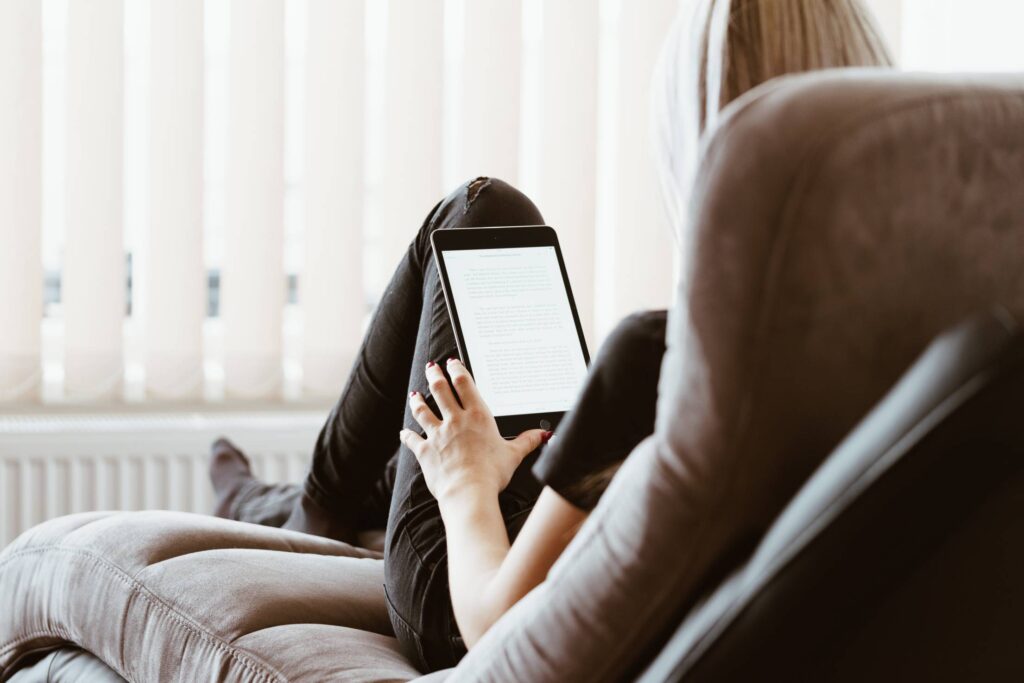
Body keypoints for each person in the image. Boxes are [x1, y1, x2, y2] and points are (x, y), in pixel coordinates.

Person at [208, 0, 893, 672]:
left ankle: (311, 507)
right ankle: (279, 500)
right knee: (452, 433)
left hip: (455, 604)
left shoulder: (663, 361)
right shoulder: (910, 356)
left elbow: (496, 625)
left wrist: (468, 485)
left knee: (480, 212)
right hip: (581, 548)